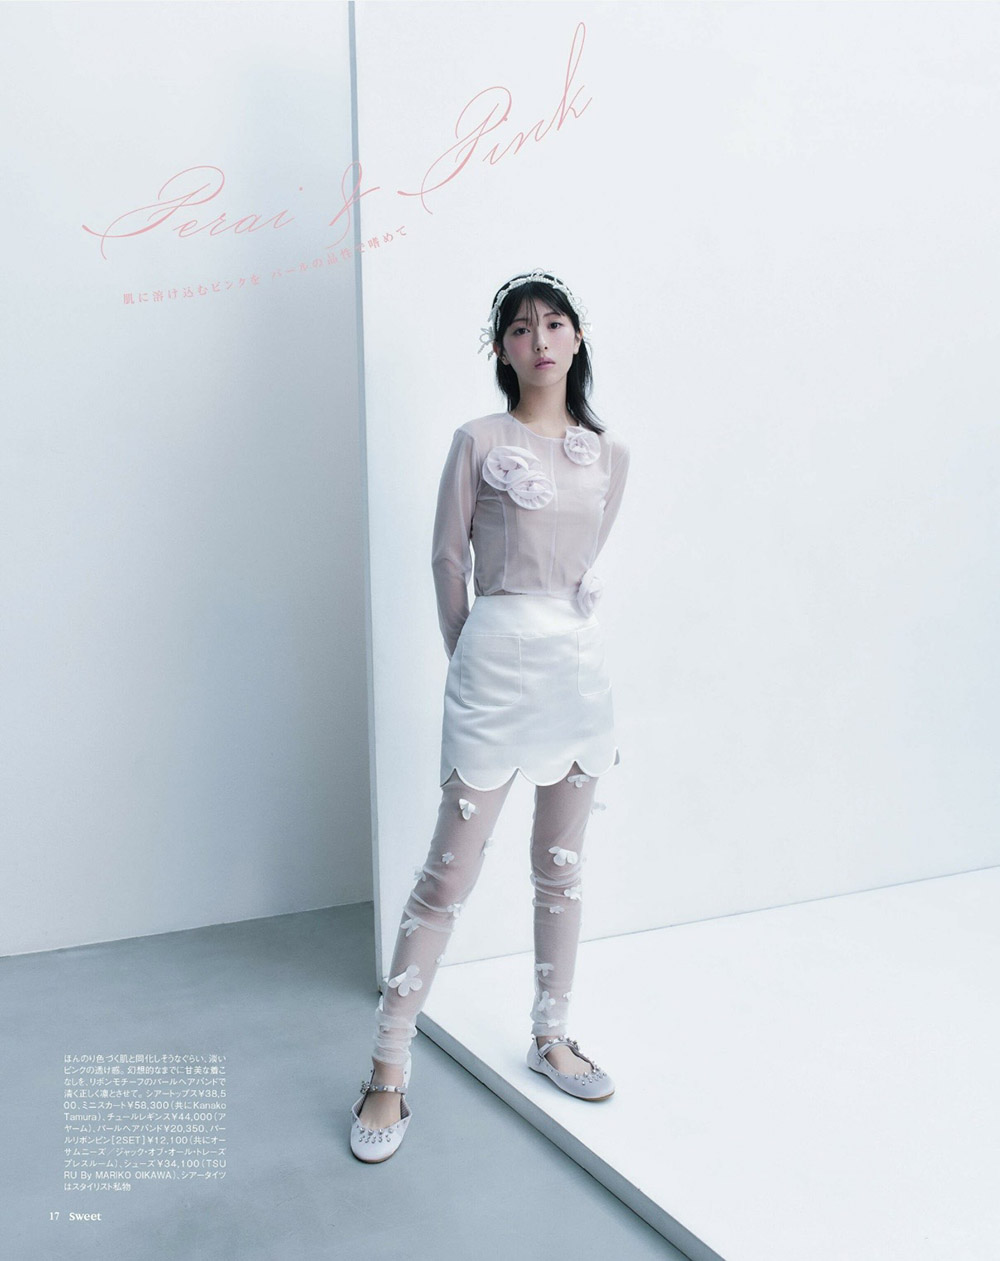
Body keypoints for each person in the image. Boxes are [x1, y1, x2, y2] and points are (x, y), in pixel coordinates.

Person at [350, 269, 631, 1162]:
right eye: (519, 327)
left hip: (576, 673)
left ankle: (552, 1034)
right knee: (447, 875)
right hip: (494, 661)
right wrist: (469, 654)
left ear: (577, 337)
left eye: (554, 323)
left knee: (561, 867)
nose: (538, 339)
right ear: (502, 348)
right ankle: (387, 1069)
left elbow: (585, 565)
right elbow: (448, 561)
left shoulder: (609, 454)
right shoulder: (477, 440)